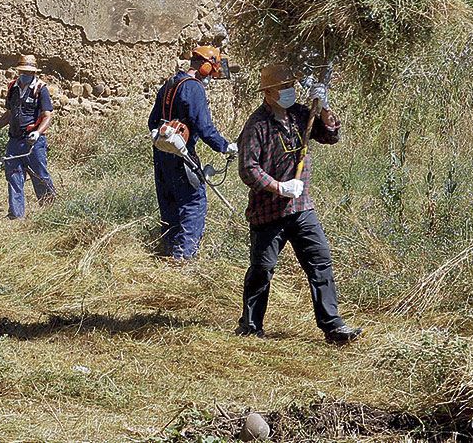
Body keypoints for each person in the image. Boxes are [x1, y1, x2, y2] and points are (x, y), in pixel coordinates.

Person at [235, 63, 363, 345]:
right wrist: (279, 187)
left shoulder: (300, 115)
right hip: (268, 211)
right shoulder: (257, 125)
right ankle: (250, 326)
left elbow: (329, 135)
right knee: (262, 269)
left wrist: (325, 106)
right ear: (267, 93)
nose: (289, 92)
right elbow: (248, 169)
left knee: (320, 262)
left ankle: (333, 326)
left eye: (291, 86)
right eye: (283, 88)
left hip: (301, 208)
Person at [147, 46, 238, 260]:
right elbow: (204, 127)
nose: (211, 79)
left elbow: (152, 122)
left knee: (168, 201)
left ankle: (168, 251)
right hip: (182, 155)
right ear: (206, 67)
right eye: (212, 73)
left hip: (161, 153)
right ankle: (183, 257)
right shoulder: (194, 87)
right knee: (193, 202)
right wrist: (225, 146)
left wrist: (164, 136)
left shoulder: (170, 83)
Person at [0, 55, 56, 219]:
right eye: (23, 71)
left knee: (40, 176)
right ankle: (16, 215)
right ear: (19, 71)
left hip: (33, 143)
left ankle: (51, 212)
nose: (25, 74)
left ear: (34, 72)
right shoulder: (13, 88)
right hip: (14, 141)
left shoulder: (40, 89)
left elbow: (47, 116)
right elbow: (9, 114)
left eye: (28, 72)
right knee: (14, 176)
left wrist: (37, 132)